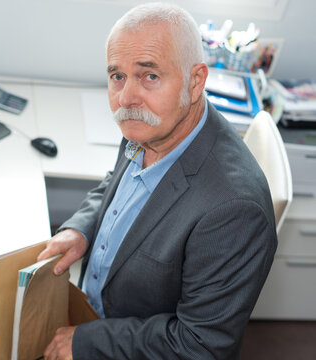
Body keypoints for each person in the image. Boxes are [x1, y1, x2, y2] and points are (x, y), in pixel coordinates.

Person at [38, 3, 277, 359]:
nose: (126, 97)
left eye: (149, 76)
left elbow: (201, 346)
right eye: (117, 76)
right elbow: (117, 182)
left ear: (195, 81)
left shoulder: (235, 211)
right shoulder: (151, 121)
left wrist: (88, 342)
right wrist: (82, 228)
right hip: (92, 309)